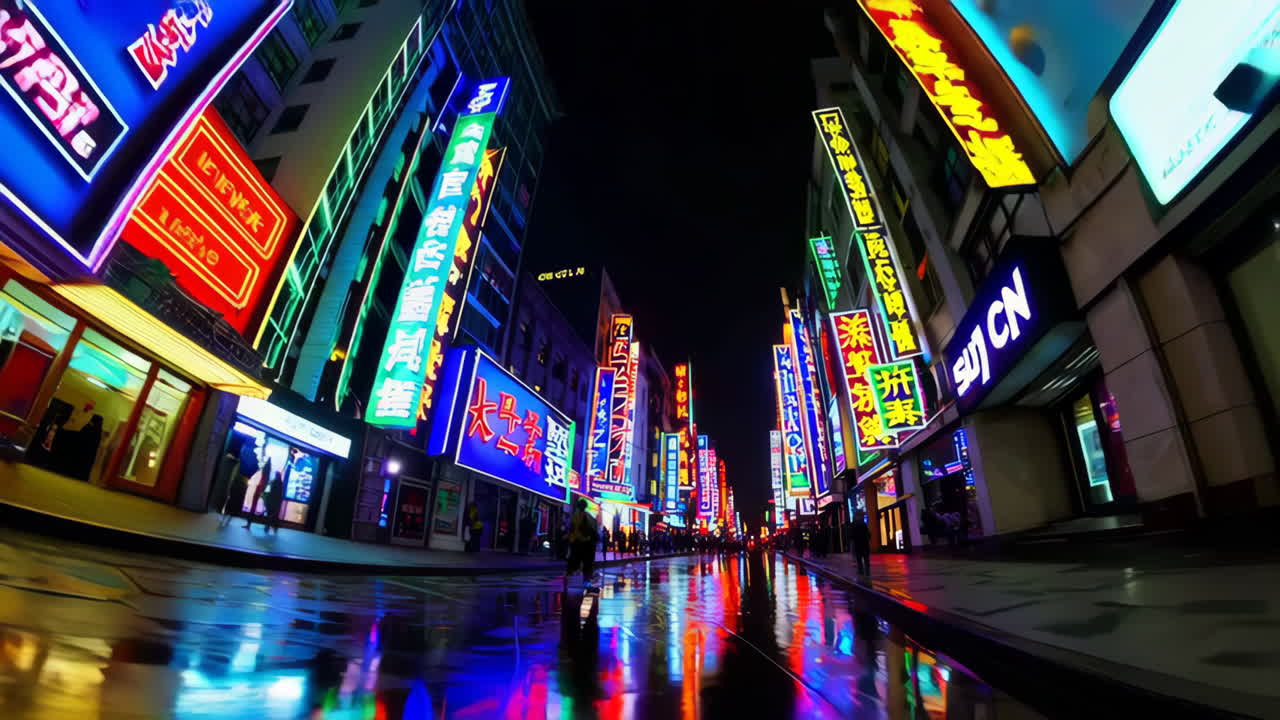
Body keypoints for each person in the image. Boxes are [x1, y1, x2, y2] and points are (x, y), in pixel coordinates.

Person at [565, 498, 598, 587]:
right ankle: (586, 581)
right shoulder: (590, 517)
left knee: (573, 561)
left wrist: (570, 538)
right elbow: (594, 531)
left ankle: (569, 579)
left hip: (577, 542)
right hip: (587, 543)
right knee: (587, 563)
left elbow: (572, 529)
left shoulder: (575, 516)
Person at [244, 458, 273, 530]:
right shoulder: (267, 476)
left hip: (257, 492)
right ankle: (249, 523)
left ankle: (249, 524)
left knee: (253, 508)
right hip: (260, 492)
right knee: (256, 508)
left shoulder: (263, 476)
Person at [262, 470, 284, 534]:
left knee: (269, 514)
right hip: (276, 502)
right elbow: (280, 494)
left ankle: (267, 527)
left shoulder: (273, 482)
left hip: (271, 501)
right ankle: (274, 527)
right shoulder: (281, 483)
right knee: (274, 516)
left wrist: (265, 497)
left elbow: (268, 491)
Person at [850, 510, 871, 575]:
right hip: (864, 544)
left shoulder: (854, 524)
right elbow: (868, 535)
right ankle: (867, 573)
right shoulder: (864, 524)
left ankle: (861, 572)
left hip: (858, 545)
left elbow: (851, 536)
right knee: (866, 560)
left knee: (859, 560)